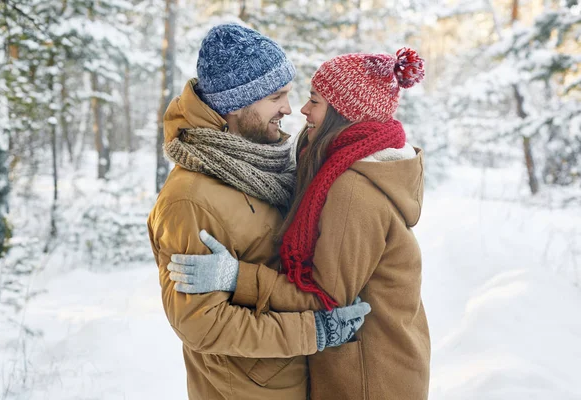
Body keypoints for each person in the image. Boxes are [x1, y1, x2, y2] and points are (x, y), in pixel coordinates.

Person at [168, 48, 431, 399]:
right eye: (278, 97)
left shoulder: (353, 188)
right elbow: (200, 322)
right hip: (351, 369)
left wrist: (237, 276)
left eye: (313, 101)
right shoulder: (341, 165)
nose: (298, 110)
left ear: (343, 114)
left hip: (366, 378)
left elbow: (325, 296)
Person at [147, 23, 371, 400]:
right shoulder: (190, 198)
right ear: (236, 104)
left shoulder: (270, 164)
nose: (288, 107)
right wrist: (313, 332)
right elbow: (201, 324)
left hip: (295, 381)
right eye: (275, 96)